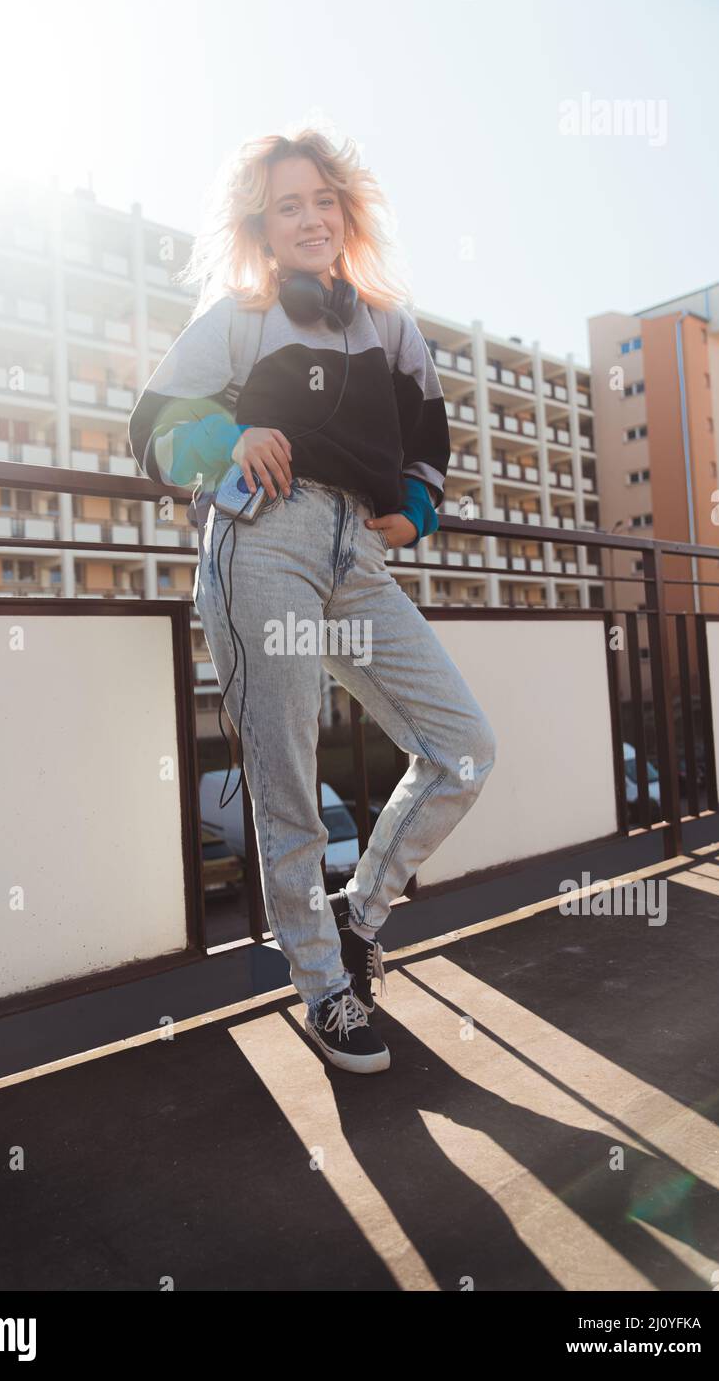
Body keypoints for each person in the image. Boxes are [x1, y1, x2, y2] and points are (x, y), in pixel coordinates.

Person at [129, 126, 497, 1075]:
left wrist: (415, 511)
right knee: (288, 772)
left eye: (321, 202)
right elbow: (153, 424)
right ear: (263, 223)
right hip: (264, 544)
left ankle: (359, 913)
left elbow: (430, 440)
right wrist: (230, 435)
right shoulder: (240, 315)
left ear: (345, 213)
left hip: (358, 560)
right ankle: (323, 988)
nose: (309, 219)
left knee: (462, 747)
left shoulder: (390, 325)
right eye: (287, 205)